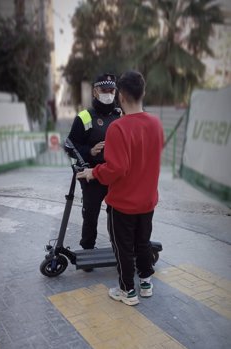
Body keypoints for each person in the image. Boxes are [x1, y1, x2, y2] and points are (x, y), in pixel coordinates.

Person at [77, 71, 164, 304]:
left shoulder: (118, 127)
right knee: (143, 243)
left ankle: (128, 291)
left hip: (123, 204)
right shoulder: (156, 123)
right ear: (143, 92)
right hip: (147, 201)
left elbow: (116, 169)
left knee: (123, 248)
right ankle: (145, 283)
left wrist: (93, 172)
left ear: (121, 97)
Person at [65, 73, 121, 265]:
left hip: (115, 175)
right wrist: (89, 151)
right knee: (91, 214)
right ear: (95, 91)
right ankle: (88, 250)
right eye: (104, 90)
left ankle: (119, 248)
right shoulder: (85, 116)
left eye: (112, 90)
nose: (108, 94)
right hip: (92, 176)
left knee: (117, 214)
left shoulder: (120, 115)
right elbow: (69, 145)